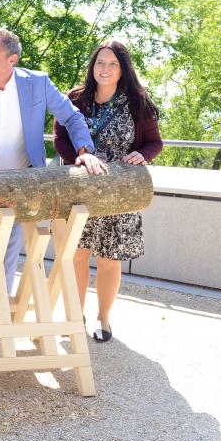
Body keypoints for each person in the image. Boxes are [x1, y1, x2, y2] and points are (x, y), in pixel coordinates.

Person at [0, 29, 106, 346]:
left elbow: (72, 118)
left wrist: (85, 152)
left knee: (8, 251)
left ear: (12, 59)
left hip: (24, 181)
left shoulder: (37, 83)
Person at [54, 40, 162, 343]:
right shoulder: (75, 99)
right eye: (100, 62)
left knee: (109, 259)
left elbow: (155, 142)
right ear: (93, 66)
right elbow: (60, 137)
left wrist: (144, 155)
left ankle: (103, 318)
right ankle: (74, 316)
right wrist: (76, 156)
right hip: (81, 189)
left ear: (122, 68)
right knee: (76, 256)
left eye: (112, 64)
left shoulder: (137, 102)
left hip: (119, 192)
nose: (105, 69)